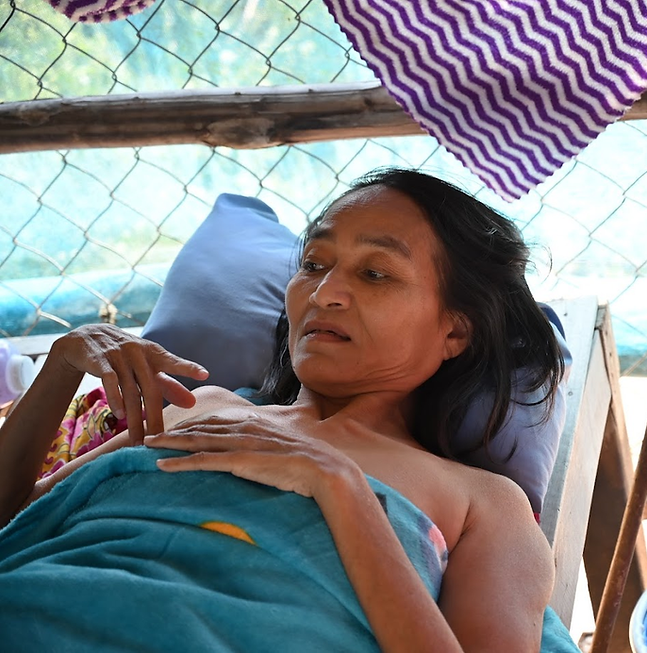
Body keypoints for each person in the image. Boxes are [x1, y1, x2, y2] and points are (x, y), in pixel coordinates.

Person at [0, 168, 571, 651]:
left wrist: (343, 488)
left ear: (457, 329)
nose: (324, 294)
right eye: (315, 264)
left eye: (374, 273)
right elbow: (17, 524)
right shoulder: (196, 408)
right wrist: (60, 369)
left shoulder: (485, 502)